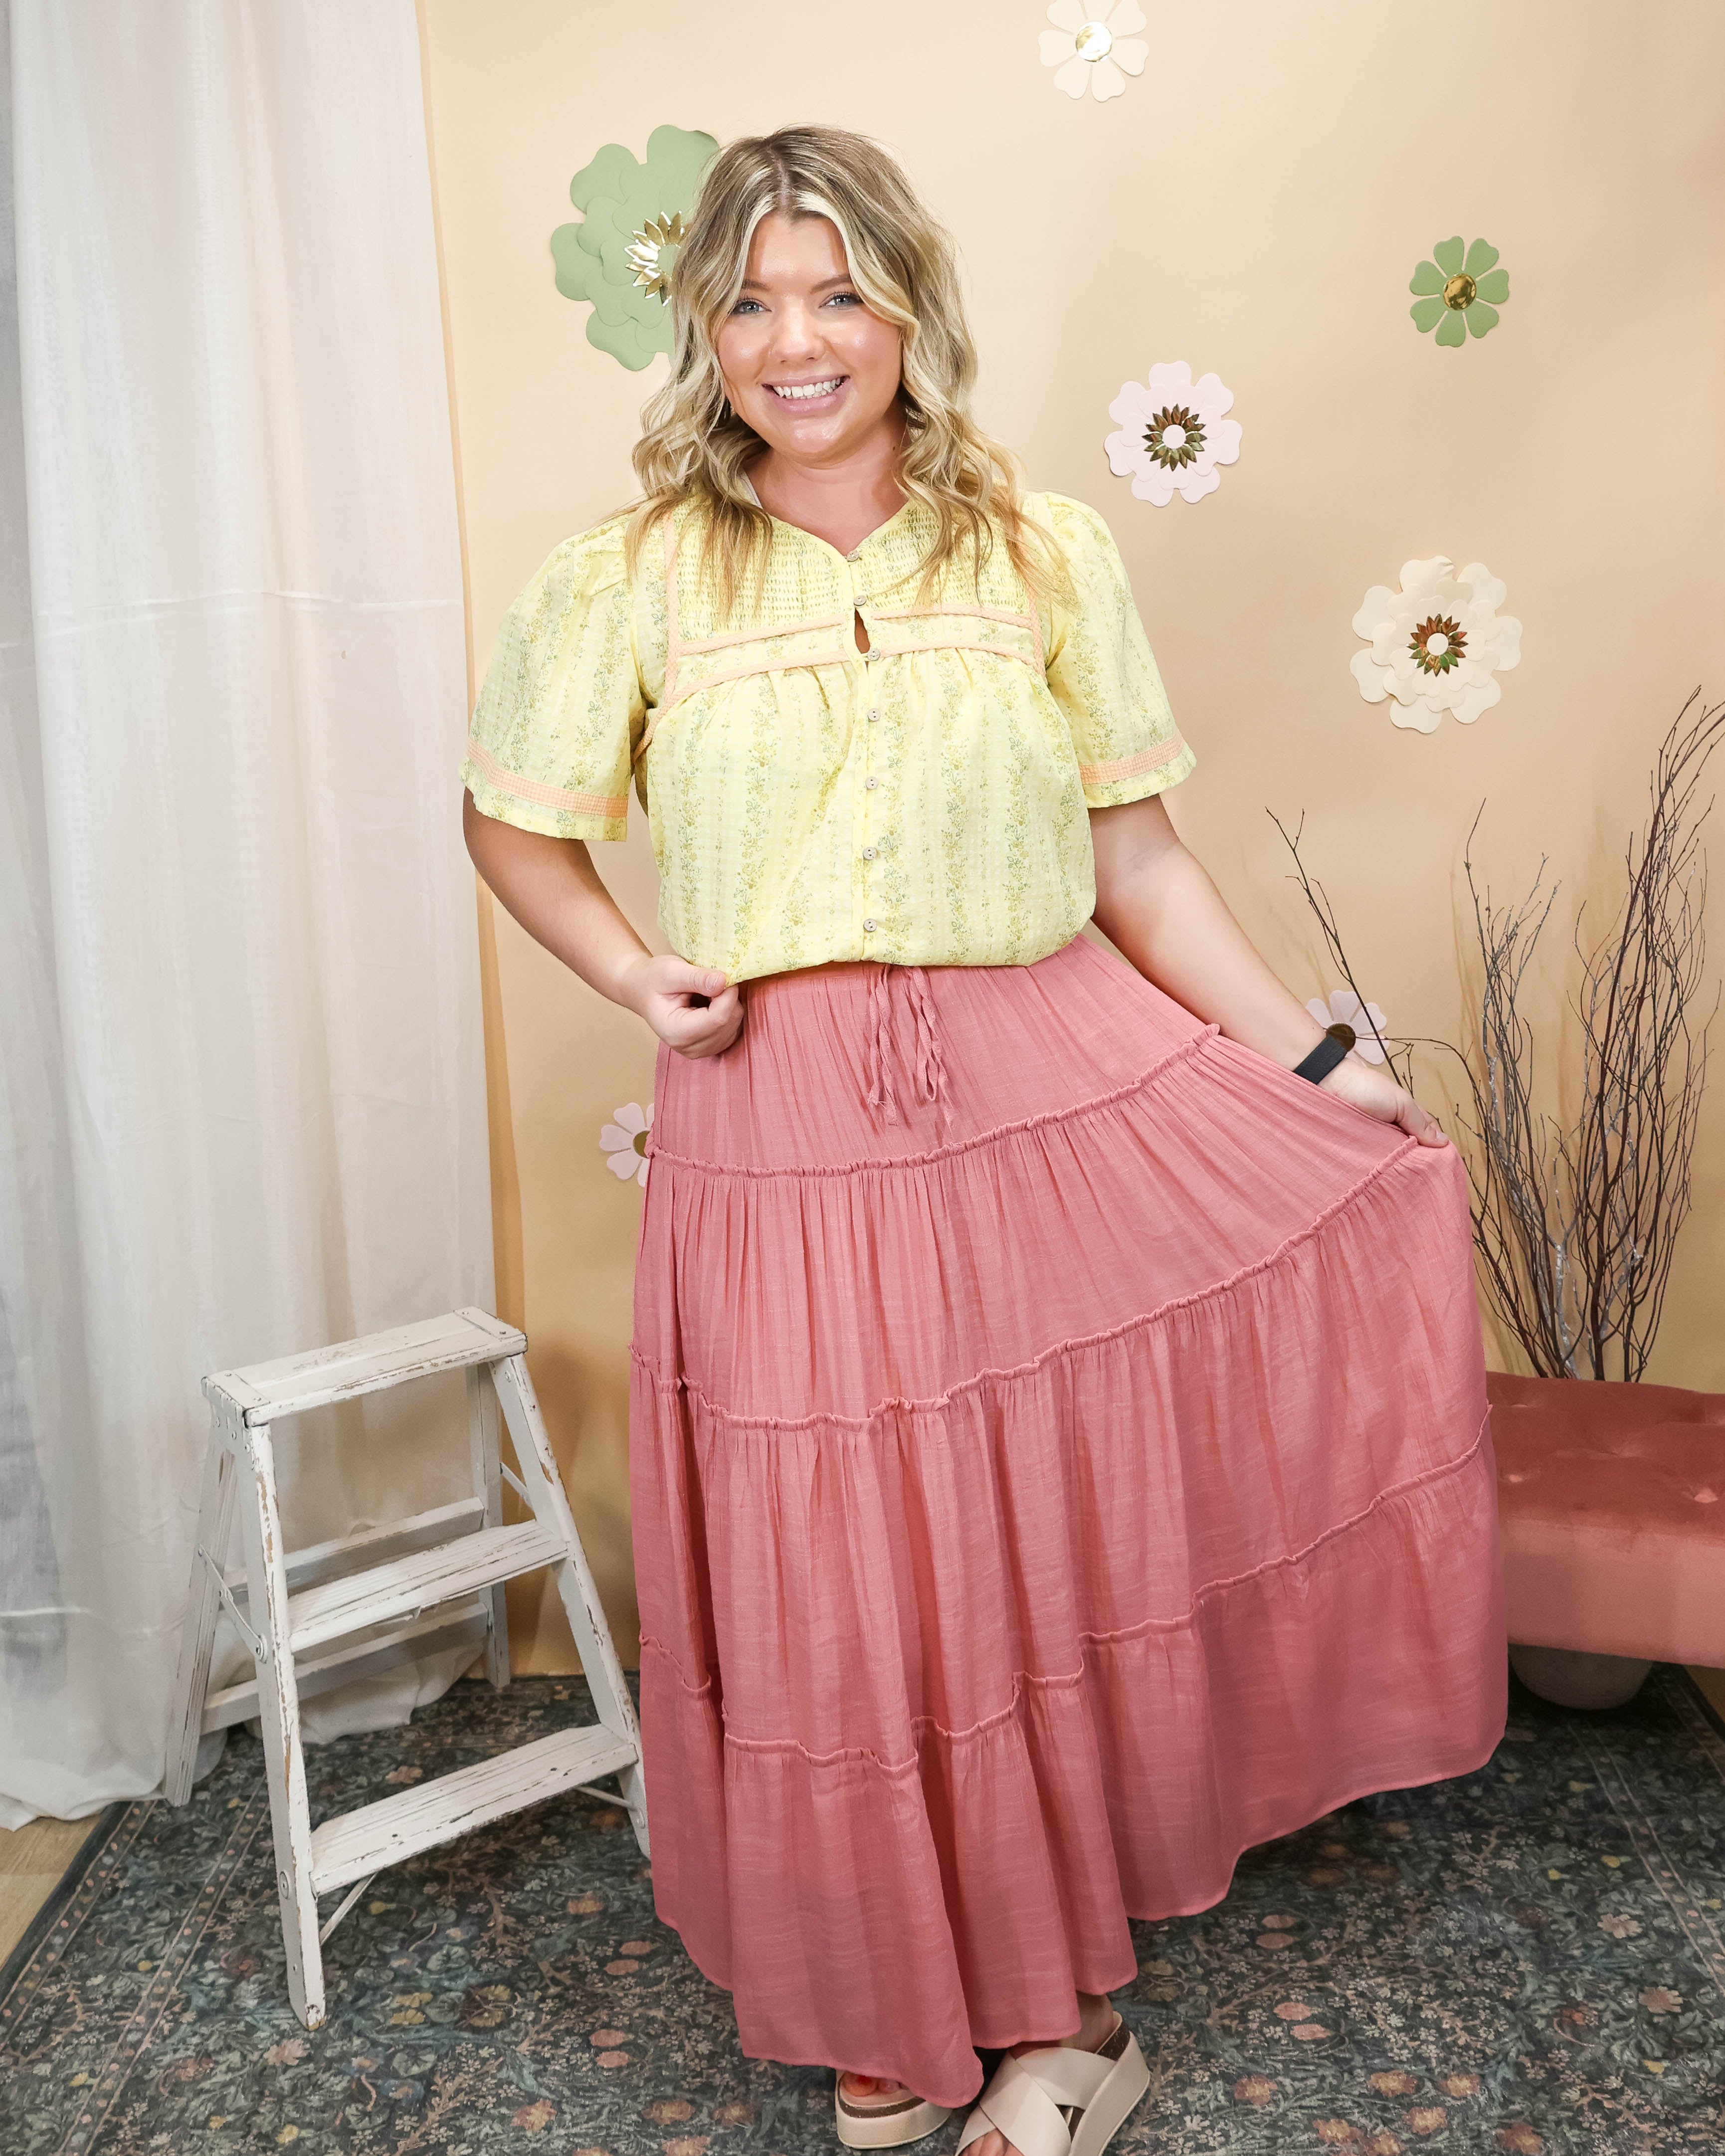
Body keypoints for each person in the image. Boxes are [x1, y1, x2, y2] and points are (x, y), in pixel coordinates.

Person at [462, 124, 1505, 2156]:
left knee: (1024, 1537)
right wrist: (634, 971)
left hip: (1039, 1085)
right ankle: (888, 1990)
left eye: (838, 293)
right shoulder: (628, 574)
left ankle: (1058, 2012)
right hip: (777, 1122)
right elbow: (514, 821)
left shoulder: (1041, 549)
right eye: (751, 302)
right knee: (838, 1574)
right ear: (703, 335)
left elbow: (1136, 856)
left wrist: (1313, 1065)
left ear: (908, 310)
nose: (796, 341)